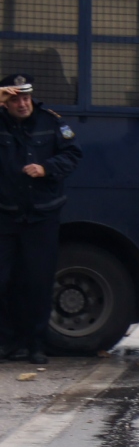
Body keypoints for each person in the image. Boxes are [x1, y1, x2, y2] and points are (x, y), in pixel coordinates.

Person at [0, 76, 80, 362]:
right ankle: (8, 342)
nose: (22, 104)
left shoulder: (50, 122)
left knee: (37, 282)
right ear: (5, 102)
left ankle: (35, 345)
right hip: (6, 216)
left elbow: (72, 154)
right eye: (14, 99)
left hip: (42, 215)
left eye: (26, 97)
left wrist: (46, 168)